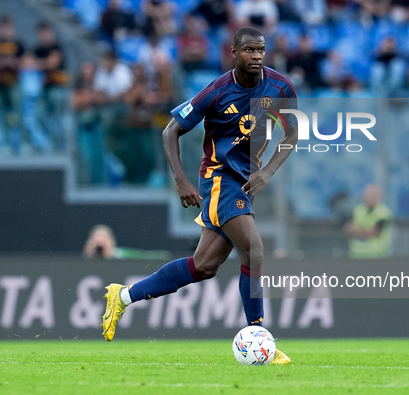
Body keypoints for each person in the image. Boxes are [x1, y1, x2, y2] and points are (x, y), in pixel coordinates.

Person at [101, 26, 298, 364]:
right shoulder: (217, 92)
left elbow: (293, 131)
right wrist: (180, 180)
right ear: (233, 53)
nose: (257, 57)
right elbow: (170, 130)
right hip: (220, 179)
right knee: (253, 249)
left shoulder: (280, 86)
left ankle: (124, 296)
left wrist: (267, 171)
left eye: (261, 50)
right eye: (250, 50)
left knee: (204, 265)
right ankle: (259, 336)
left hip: (246, 182)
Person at [0, 15, 25, 154]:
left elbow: (25, 62)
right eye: (3, 28)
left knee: (17, 114)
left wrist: (12, 63)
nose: (5, 31)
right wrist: (3, 62)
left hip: (14, 84)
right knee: (1, 115)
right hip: (0, 84)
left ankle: (21, 144)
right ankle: (4, 145)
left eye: (8, 28)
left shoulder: (17, 44)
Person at [34, 21, 69, 151]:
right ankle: (55, 145)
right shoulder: (38, 49)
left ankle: (65, 145)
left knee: (61, 119)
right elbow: (26, 62)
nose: (45, 36)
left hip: (59, 89)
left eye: (47, 32)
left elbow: (53, 64)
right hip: (45, 90)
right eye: (42, 33)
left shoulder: (57, 47)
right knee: (42, 117)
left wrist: (38, 63)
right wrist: (44, 63)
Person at [344, 184, 393, 259]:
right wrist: (365, 232)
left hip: (377, 256)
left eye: (371, 195)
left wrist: (357, 232)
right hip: (357, 255)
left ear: (378, 197)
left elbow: (375, 232)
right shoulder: (358, 210)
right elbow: (348, 229)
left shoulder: (384, 212)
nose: (368, 198)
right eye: (367, 195)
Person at [84, 224, 171, 260]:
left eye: (104, 240)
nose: (100, 244)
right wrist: (86, 255)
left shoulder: (120, 254)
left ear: (112, 242)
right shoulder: (88, 255)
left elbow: (142, 256)